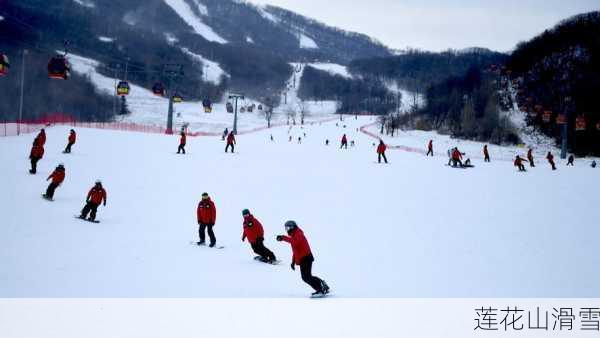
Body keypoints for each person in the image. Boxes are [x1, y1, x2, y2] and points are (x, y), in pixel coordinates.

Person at [276, 220, 329, 296]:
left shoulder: (298, 233)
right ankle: (321, 287)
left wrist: (283, 238)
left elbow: (294, 242)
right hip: (303, 259)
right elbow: (295, 250)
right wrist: (293, 262)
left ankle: (321, 288)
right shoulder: (293, 236)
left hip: (306, 258)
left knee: (306, 277)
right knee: (306, 277)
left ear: (292, 227)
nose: (287, 230)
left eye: (288, 228)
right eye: (286, 228)